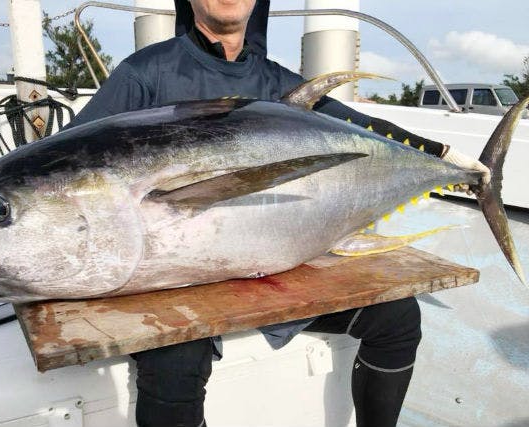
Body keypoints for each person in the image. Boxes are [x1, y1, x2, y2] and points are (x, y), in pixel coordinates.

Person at [67, 1, 491, 426]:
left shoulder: (278, 82)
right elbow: (69, 163)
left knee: (398, 317)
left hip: (270, 270)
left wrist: (444, 158)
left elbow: (363, 128)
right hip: (170, 284)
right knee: (175, 359)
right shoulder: (145, 73)